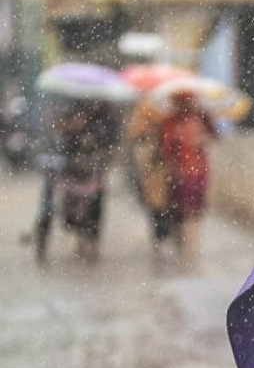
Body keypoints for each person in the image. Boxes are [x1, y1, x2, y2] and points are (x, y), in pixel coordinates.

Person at [159, 90, 217, 266]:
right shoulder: (170, 121)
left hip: (197, 170)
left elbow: (214, 136)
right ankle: (184, 241)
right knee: (180, 209)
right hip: (179, 172)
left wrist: (201, 139)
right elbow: (166, 146)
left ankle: (191, 243)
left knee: (195, 208)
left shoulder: (202, 117)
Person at [60, 99, 119, 262]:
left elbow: (112, 139)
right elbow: (63, 139)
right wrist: (73, 127)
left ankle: (92, 240)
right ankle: (80, 238)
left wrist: (97, 142)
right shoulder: (71, 109)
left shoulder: (105, 114)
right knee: (74, 205)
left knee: (95, 206)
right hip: (74, 170)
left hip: (95, 170)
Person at [126, 101, 175, 253]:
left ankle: (162, 234)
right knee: (154, 205)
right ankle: (159, 235)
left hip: (160, 172)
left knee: (162, 204)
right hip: (150, 173)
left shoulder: (162, 120)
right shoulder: (143, 117)